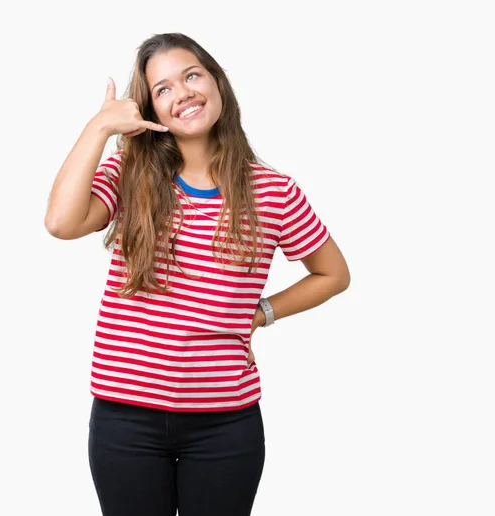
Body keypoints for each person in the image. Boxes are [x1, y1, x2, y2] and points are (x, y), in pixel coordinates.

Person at [45, 32, 350, 516]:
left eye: (191, 76)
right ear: (151, 109)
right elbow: (61, 222)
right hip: (126, 421)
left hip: (225, 424)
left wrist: (262, 312)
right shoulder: (131, 174)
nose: (181, 92)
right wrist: (99, 128)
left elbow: (333, 273)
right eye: (162, 89)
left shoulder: (274, 191)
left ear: (217, 83)